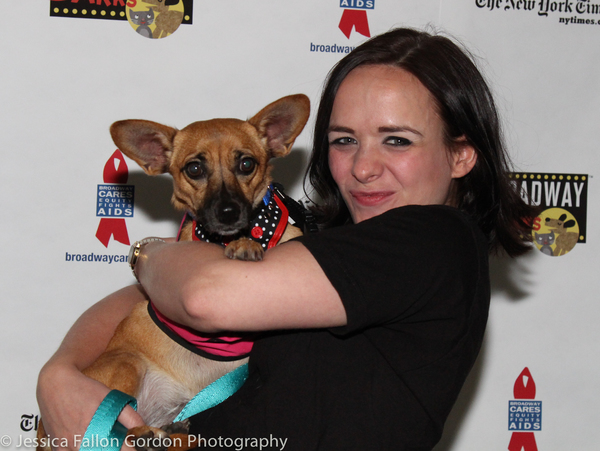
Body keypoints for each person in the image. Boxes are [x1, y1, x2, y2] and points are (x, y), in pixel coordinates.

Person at [37, 27, 537, 451]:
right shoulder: (327, 247)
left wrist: (148, 251)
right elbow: (141, 301)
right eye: (344, 140)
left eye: (397, 139)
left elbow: (202, 295)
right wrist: (60, 374)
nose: (363, 167)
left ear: (461, 156)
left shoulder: (434, 240)